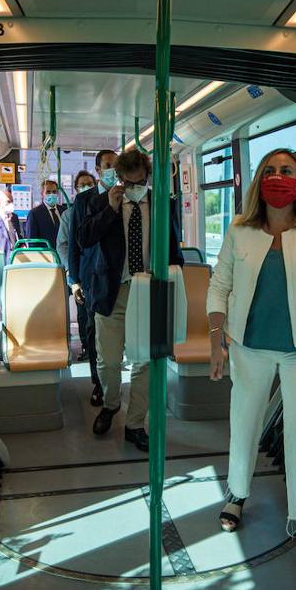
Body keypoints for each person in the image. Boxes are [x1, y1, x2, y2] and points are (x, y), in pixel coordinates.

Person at [205, 149, 296, 590]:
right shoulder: (240, 230)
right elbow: (221, 284)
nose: (277, 177)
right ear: (258, 182)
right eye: (269, 171)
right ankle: (238, 493)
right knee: (244, 422)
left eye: (286, 170)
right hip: (249, 345)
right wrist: (217, 338)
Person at [77, 149, 184, 451]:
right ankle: (111, 404)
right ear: (118, 180)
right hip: (112, 290)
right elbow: (83, 239)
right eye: (129, 183)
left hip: (152, 290)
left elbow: (174, 250)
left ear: (147, 179)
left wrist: (172, 282)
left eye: (140, 183)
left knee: (147, 363)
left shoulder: (163, 204)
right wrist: (110, 209)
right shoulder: (95, 201)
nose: (135, 189)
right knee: (108, 361)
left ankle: (136, 424)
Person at [57, 170, 105, 405]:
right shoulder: (69, 214)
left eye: (89, 184)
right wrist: (72, 275)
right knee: (89, 325)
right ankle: (97, 378)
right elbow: (64, 246)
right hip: (84, 276)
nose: (86, 187)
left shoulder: (106, 207)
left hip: (105, 276)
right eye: (81, 185)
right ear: (75, 188)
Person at [26, 179, 64, 243]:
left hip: (64, 251)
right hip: (46, 251)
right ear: (42, 194)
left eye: (54, 192)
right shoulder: (34, 214)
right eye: (48, 192)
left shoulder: (64, 211)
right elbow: (31, 240)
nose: (51, 194)